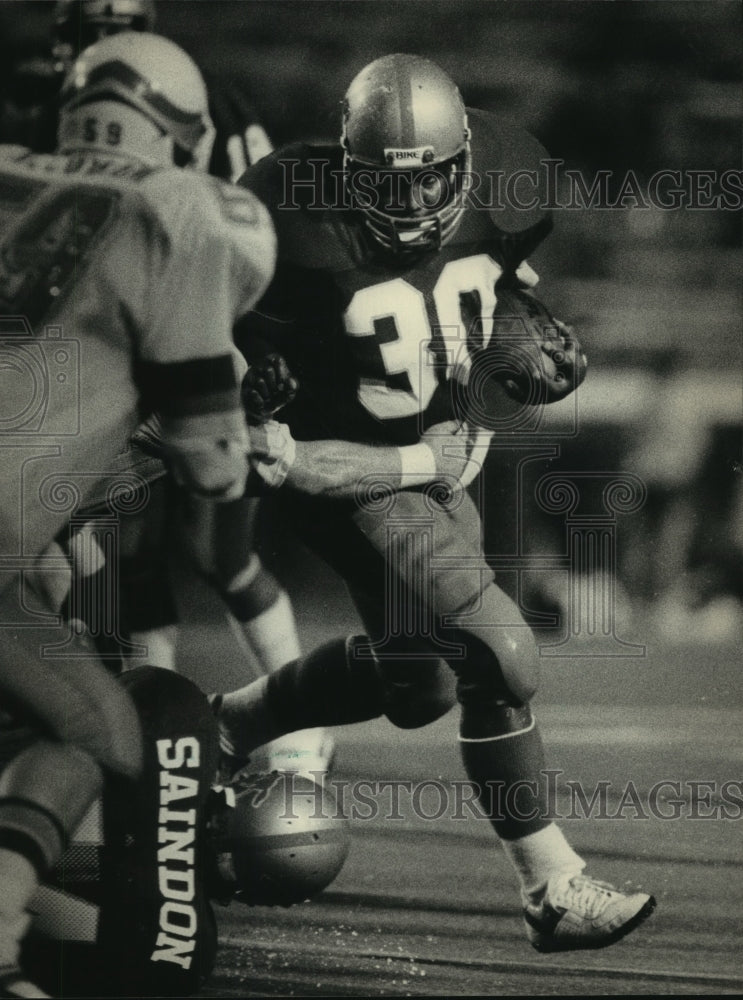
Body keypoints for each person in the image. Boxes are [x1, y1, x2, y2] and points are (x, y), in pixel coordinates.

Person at [210, 53, 656, 953]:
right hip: (349, 465)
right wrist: (249, 389)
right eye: (385, 186)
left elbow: (496, 278)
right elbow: (240, 408)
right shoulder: (280, 214)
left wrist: (519, 323)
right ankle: (552, 885)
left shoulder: (511, 169)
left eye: (431, 184)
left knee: (415, 684)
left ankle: (224, 726)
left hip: (440, 454)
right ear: (344, 162)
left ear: (464, 156)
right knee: (499, 647)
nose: (411, 208)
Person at [0, 30, 279, 997]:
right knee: (102, 728)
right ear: (184, 135)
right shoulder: (176, 212)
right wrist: (240, 456)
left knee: (51, 576)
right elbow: (207, 456)